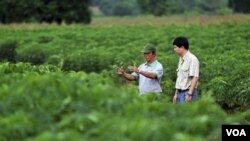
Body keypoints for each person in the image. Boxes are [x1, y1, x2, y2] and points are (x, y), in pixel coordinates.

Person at [172, 37, 199, 104]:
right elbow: (179, 78)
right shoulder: (181, 59)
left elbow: (195, 77)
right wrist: (176, 94)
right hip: (180, 93)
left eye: (175, 47)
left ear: (182, 47)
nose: (174, 49)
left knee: (188, 114)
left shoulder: (192, 59)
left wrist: (189, 94)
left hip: (188, 93)